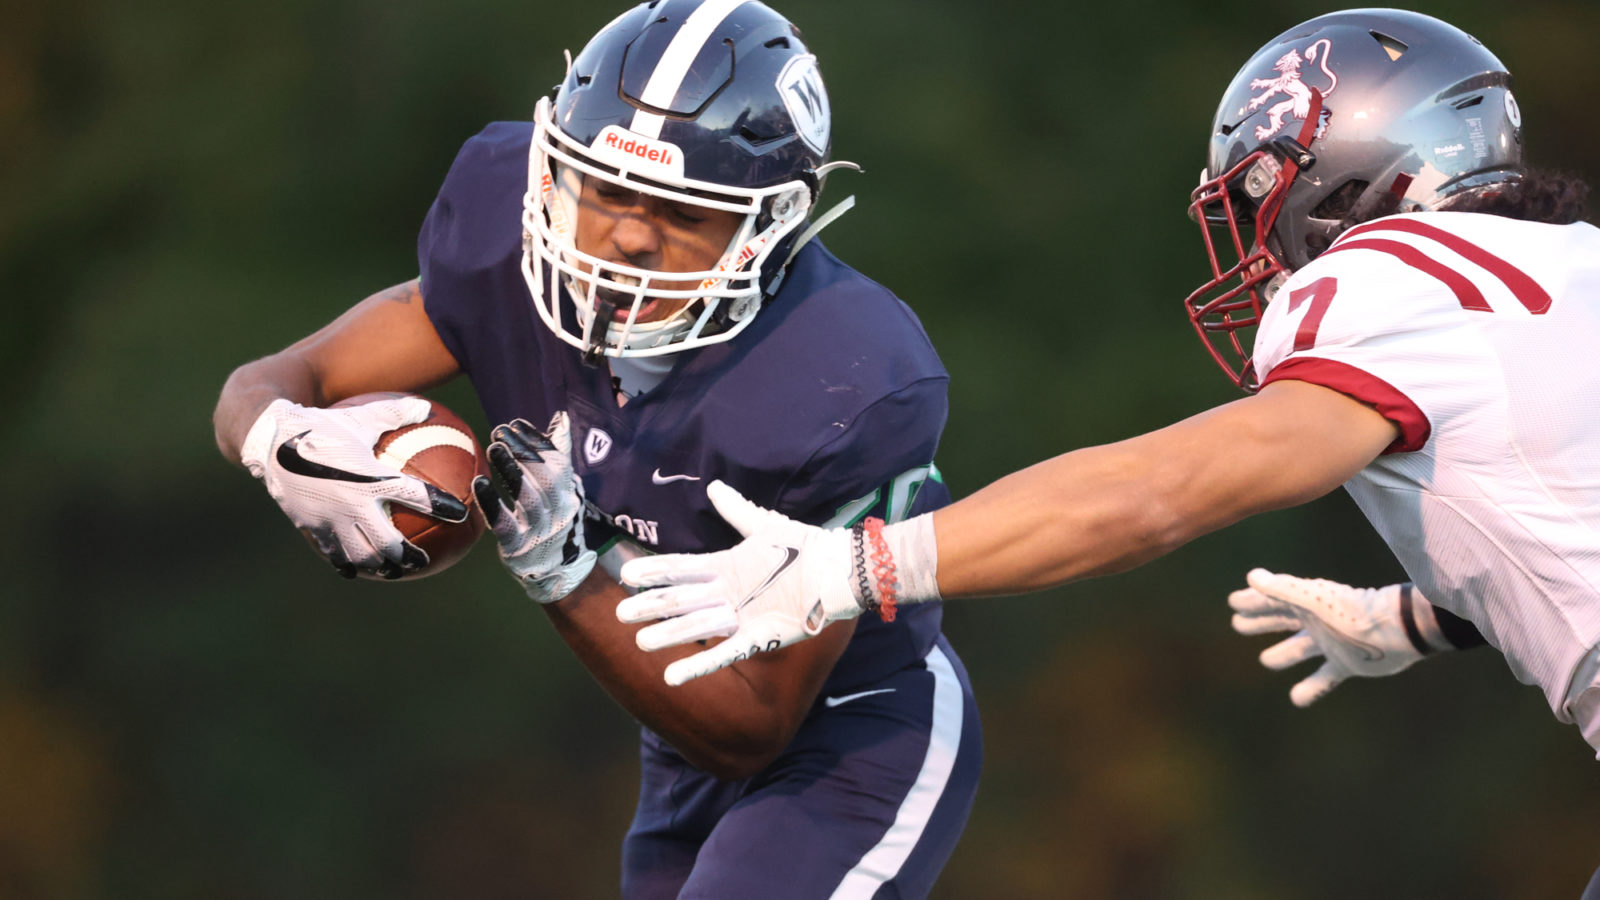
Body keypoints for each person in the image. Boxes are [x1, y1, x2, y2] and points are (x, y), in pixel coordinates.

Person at [615, 6, 1600, 880]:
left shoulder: (1387, 278)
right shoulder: (1562, 260)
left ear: (1341, 187)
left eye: (1255, 201)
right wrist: (1426, 616)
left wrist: (864, 564)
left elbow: (1168, 489)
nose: (1256, 252)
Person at [211, 2, 982, 897]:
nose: (628, 237)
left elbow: (753, 725)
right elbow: (285, 374)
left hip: (851, 731)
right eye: (606, 190)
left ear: (770, 225)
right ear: (549, 174)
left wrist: (565, 571)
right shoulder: (505, 241)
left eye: (684, 210)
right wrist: (276, 439)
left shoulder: (848, 377)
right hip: (678, 729)